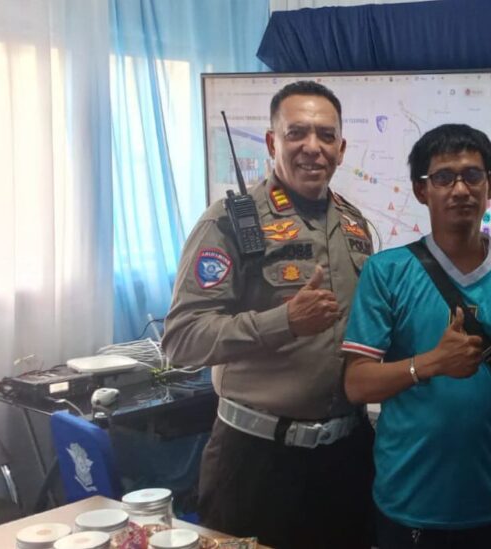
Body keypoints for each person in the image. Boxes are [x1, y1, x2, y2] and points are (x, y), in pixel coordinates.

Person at [162, 80, 375, 549]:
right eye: (297, 133)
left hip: (345, 458)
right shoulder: (229, 220)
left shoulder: (356, 225)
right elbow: (181, 339)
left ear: (341, 149)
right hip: (256, 462)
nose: (312, 147)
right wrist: (283, 322)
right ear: (271, 142)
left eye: (326, 135)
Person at [341, 124, 491, 549]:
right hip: (409, 500)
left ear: (490, 186)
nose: (460, 189)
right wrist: (432, 363)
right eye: (444, 177)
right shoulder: (387, 272)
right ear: (421, 190)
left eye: (472, 175)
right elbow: (357, 384)